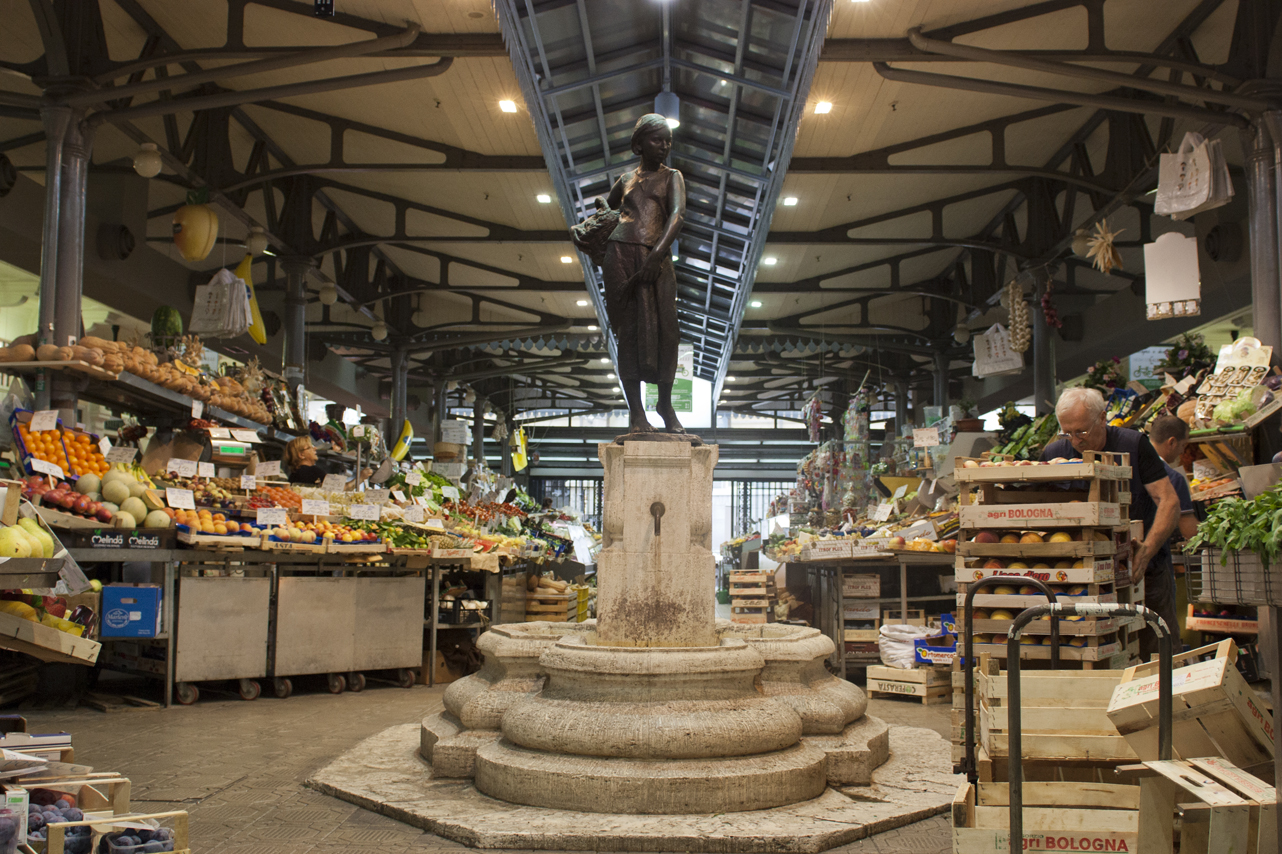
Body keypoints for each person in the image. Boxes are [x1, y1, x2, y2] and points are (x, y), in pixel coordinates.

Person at [1041, 387, 1181, 659]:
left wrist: (1146, 551)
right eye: (1066, 432)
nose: (1075, 440)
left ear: (1102, 418)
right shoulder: (1054, 453)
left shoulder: (1134, 445)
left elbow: (1169, 501)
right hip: (1076, 580)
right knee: (1097, 656)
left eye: (1081, 431)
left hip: (1142, 572)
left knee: (1157, 650)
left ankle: (1163, 701)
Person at [584, 113, 687, 435]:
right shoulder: (626, 179)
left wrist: (657, 254)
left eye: (668, 140)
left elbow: (677, 214)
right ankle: (636, 413)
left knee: (667, 331)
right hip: (622, 256)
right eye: (657, 139)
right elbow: (609, 211)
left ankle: (665, 404)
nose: (664, 146)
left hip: (655, 257)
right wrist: (604, 221)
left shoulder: (673, 176)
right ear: (639, 144)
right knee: (628, 332)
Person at [1149, 415, 1199, 542]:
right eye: (1183, 445)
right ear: (1172, 442)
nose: (1182, 451)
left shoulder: (1132, 463)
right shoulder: (1173, 478)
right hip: (1158, 551)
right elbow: (1189, 531)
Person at [284, 436, 371, 488]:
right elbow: (342, 488)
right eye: (310, 447)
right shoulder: (313, 472)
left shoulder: (293, 474)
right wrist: (361, 477)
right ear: (301, 455)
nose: (315, 448)